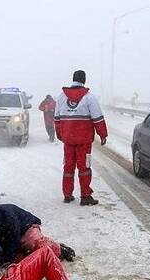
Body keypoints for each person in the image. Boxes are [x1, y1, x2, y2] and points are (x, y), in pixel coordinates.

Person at [54, 70, 108, 206]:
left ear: (73, 79)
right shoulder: (89, 98)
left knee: (68, 167)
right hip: (84, 141)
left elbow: (57, 118)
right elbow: (98, 118)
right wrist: (103, 135)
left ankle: (67, 195)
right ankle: (85, 196)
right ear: (84, 80)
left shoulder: (61, 97)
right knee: (84, 168)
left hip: (68, 140)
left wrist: (60, 135)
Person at [0, 204, 75, 265]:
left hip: (27, 228)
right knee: (22, 261)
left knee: (34, 244)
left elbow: (11, 247)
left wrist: (1, 260)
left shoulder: (10, 220)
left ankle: (59, 250)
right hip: (8, 237)